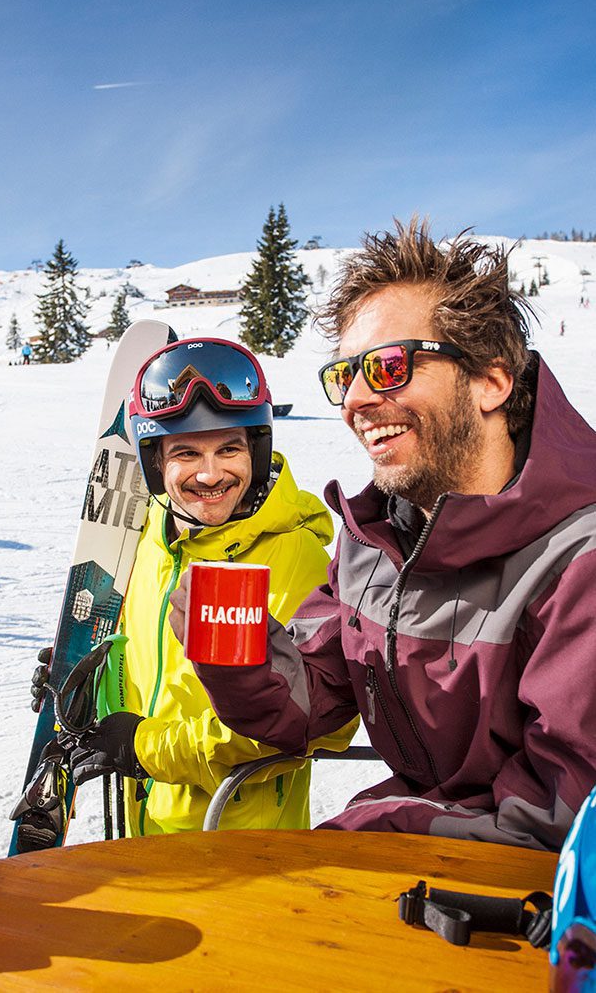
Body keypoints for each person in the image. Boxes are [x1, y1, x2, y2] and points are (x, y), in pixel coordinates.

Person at [171, 218, 596, 852]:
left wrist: (372, 822)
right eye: (345, 376)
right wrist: (237, 653)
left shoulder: (578, 560)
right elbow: (310, 698)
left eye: (391, 366)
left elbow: (564, 824)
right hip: (418, 869)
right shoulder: (372, 543)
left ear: (491, 380)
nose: (356, 401)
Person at [52, 337, 356, 836]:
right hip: (142, 823)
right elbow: (148, 667)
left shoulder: (293, 557)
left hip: (240, 837)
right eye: (186, 452)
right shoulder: (149, 540)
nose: (210, 474)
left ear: (256, 451)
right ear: (155, 463)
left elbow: (321, 722)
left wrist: (144, 747)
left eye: (229, 449)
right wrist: (87, 666)